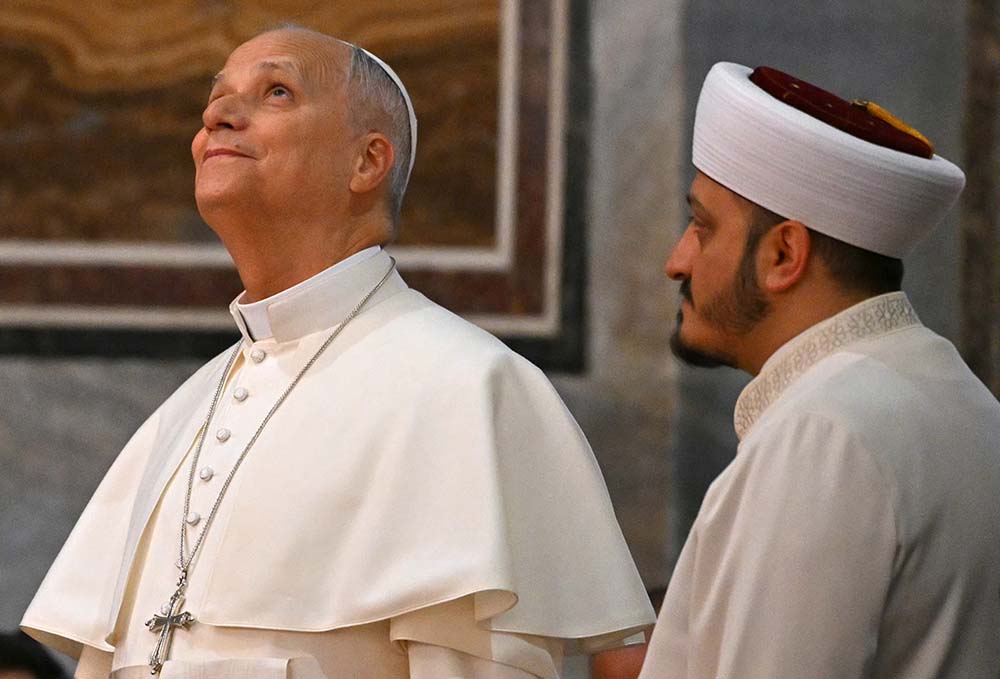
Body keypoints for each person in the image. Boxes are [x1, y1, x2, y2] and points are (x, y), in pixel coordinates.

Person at [21, 26, 655, 679]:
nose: (216, 116)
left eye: (276, 90)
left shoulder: (465, 388)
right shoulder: (178, 417)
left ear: (366, 162)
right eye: (215, 101)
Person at [638, 63, 1000, 679]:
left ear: (784, 254)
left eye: (703, 227)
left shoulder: (823, 435)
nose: (677, 261)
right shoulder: (968, 403)